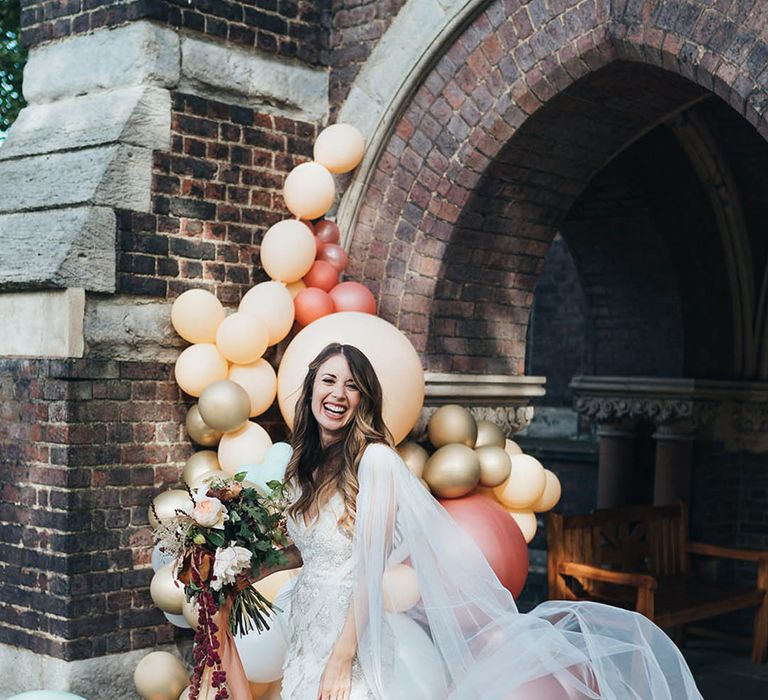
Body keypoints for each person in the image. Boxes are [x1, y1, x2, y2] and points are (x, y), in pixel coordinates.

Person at [268, 342, 703, 700]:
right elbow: (313, 554)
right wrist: (241, 567)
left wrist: (343, 657)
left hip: (352, 642)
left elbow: (368, 568)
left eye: (352, 386)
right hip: (308, 636)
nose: (337, 394)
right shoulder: (305, 467)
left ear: (365, 399)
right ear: (311, 389)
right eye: (328, 381)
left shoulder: (375, 462)